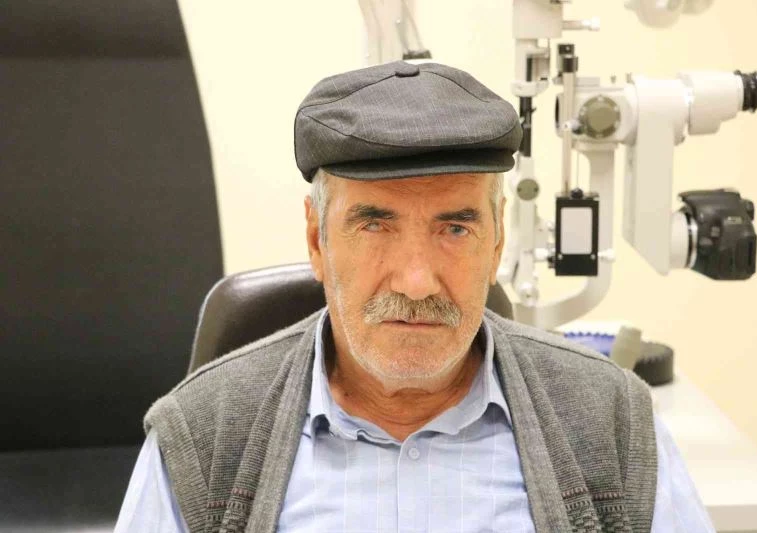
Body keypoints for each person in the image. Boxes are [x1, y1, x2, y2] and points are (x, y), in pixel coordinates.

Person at [114, 61, 714, 532]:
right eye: (375, 225)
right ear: (317, 240)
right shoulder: (203, 437)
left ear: (496, 240)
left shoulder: (612, 425)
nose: (417, 281)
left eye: (454, 228)